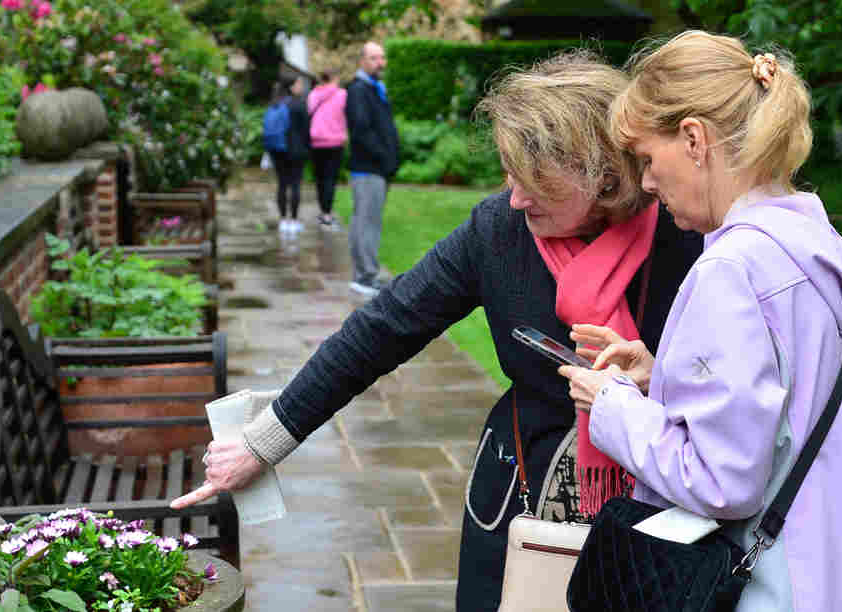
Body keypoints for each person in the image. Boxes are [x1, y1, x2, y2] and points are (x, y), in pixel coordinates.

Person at [173, 51, 705, 611]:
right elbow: (381, 329)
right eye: (510, 174)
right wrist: (263, 443)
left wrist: (658, 379)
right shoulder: (499, 228)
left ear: (602, 175)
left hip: (653, 514)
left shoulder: (684, 235)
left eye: (536, 182)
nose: (517, 197)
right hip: (517, 503)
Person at [557, 31, 842, 612]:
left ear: (694, 139)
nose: (648, 183)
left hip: (756, 587)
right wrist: (663, 376)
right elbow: (788, 409)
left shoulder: (732, 268)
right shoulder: (817, 245)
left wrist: (612, 404)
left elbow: (720, 481)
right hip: (818, 572)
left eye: (648, 160)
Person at [344, 41, 399, 296]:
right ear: (362, 61)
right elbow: (361, 131)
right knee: (367, 223)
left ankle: (363, 274)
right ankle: (365, 277)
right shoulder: (359, 91)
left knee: (364, 221)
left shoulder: (374, 88)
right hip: (368, 169)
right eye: (375, 58)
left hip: (374, 169)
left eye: (382, 58)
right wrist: (384, 157)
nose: (381, 63)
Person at [264, 77, 311, 235]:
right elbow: (306, 129)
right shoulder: (299, 105)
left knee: (282, 184)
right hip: (296, 150)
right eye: (299, 84)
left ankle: (283, 220)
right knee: (296, 185)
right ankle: (295, 220)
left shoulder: (275, 104)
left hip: (278, 150)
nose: (302, 86)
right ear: (291, 87)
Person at [307, 70, 348, 231]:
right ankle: (327, 214)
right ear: (334, 78)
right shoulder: (342, 95)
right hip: (335, 141)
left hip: (316, 142)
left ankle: (322, 210)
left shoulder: (313, 95)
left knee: (320, 178)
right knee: (330, 178)